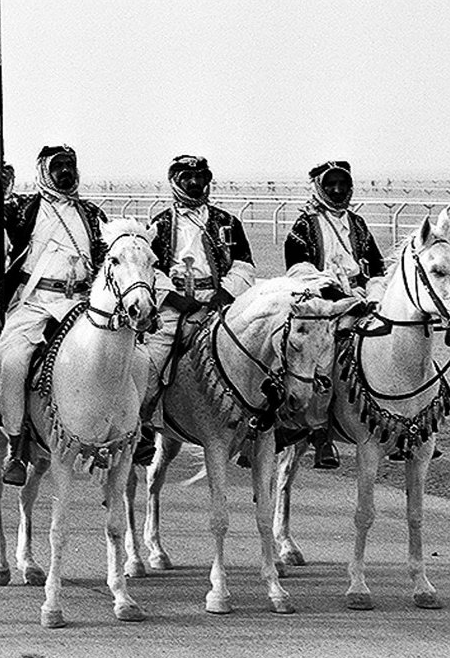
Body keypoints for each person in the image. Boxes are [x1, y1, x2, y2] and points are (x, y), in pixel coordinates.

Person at [0, 145, 108, 485]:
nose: (66, 171)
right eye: (59, 166)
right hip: (35, 302)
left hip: (82, 303)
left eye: (71, 164)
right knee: (13, 362)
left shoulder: (92, 213)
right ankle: (15, 445)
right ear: (44, 171)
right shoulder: (23, 208)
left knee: (131, 356)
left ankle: (126, 432)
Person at [143, 156, 256, 458]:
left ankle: (255, 427)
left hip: (219, 302)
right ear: (174, 182)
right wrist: (175, 298)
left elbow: (244, 265)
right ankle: (144, 424)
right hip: (175, 305)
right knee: (153, 358)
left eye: (200, 177)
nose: (194, 183)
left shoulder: (228, 222)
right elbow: (150, 270)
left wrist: (225, 293)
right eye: (186, 178)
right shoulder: (160, 224)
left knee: (255, 349)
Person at [284, 159, 386, 468]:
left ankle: (397, 426)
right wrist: (333, 292)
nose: (338, 189)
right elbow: (298, 268)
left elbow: (376, 266)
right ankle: (319, 432)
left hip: (360, 298)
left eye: (343, 184)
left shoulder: (357, 224)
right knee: (323, 360)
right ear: (318, 187)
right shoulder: (304, 225)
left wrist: (375, 296)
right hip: (322, 302)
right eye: (331, 184)